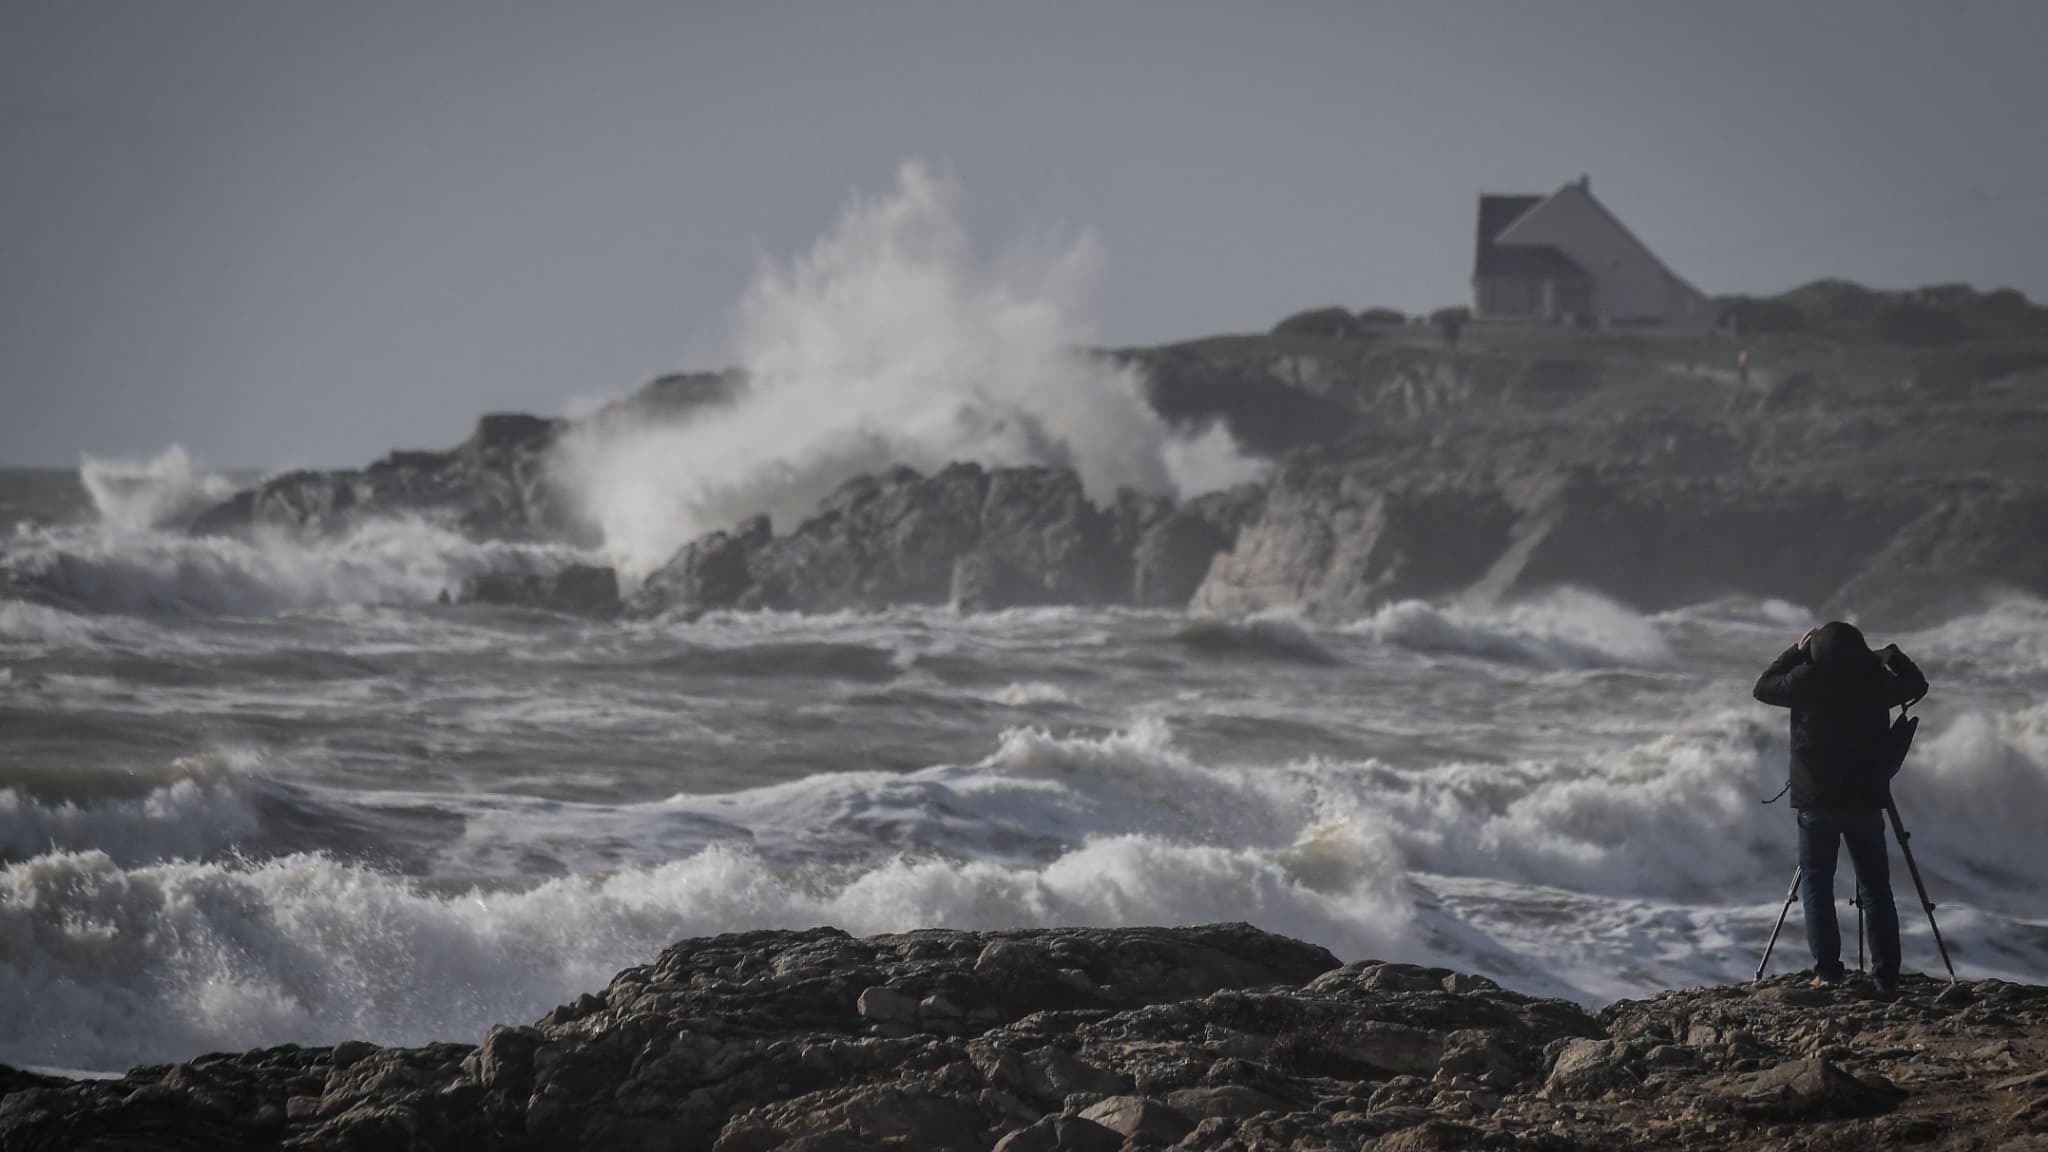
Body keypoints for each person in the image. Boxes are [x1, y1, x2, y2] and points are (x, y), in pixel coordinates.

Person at [1753, 621, 1928, 993]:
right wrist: (1891, 656)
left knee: (1817, 884)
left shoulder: (1804, 679)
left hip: (1817, 802)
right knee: (1877, 890)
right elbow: (1917, 684)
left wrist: (1794, 653)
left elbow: (1763, 686)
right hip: (1866, 800)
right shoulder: (1875, 681)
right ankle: (1885, 979)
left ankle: (1828, 972)